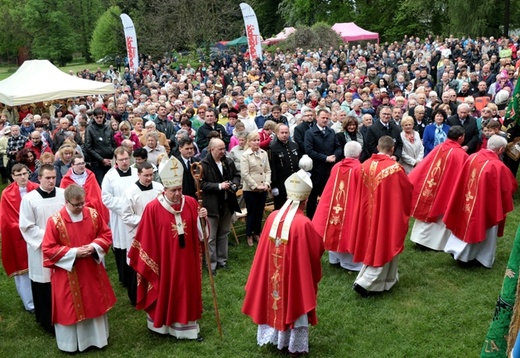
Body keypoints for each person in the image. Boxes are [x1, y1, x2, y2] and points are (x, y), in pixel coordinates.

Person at [242, 169, 324, 355]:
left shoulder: (272, 217)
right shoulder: (304, 224)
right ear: (305, 200)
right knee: (295, 300)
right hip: (294, 276)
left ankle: (275, 336)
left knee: (274, 297)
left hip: (273, 274)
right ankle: (293, 343)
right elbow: (315, 250)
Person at [128, 156, 207, 339]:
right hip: (164, 260)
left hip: (187, 259)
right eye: (173, 191)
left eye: (179, 189)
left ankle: (187, 329)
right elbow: (146, 237)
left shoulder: (191, 203)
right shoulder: (153, 208)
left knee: (186, 289)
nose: (178, 194)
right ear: (164, 189)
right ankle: (162, 326)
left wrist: (202, 218)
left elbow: (200, 234)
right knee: (165, 289)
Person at [41, 184, 116, 352]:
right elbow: (48, 249)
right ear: (66, 202)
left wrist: (94, 247)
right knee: (70, 307)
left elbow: (105, 234)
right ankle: (71, 344)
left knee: (94, 301)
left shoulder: (93, 214)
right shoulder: (55, 221)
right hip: (68, 273)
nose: (81, 207)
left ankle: (97, 339)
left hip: (90, 269)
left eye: (83, 203)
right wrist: (74, 253)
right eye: (76, 205)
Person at [349, 136, 412, 296]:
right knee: (384, 244)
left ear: (377, 147)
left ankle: (387, 280)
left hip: (367, 213)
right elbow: (406, 190)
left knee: (374, 245)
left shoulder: (364, 165)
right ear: (392, 149)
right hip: (386, 215)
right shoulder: (395, 169)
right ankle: (366, 282)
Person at [443, 135, 517, 268]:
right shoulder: (498, 166)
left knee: (463, 224)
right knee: (481, 228)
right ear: (500, 149)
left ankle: (457, 251)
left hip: (466, 200)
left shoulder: (472, 157)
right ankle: (474, 258)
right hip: (485, 205)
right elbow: (510, 186)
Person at [19, 164, 66, 333]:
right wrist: (49, 236)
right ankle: (47, 320)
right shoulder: (29, 199)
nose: (51, 181)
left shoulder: (62, 194)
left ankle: (64, 316)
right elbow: (27, 226)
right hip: (40, 248)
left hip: (62, 246)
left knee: (62, 283)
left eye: (54, 177)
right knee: (44, 282)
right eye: (47, 178)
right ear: (39, 178)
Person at [408, 126, 468, 251]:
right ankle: (432, 243)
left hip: (432, 185)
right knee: (439, 215)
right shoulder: (461, 154)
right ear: (460, 138)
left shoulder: (439, 147)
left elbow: (425, 165)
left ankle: (419, 239)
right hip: (446, 190)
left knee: (427, 211)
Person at [312, 141, 363, 271]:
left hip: (334, 203)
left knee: (331, 226)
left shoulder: (336, 166)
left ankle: (334, 257)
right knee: (347, 228)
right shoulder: (359, 169)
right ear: (359, 154)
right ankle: (348, 262)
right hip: (348, 205)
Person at [122, 162, 164, 306]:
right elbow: (126, 216)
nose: (149, 178)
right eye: (145, 175)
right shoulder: (130, 192)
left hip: (158, 233)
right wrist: (146, 221)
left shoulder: (159, 188)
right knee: (139, 264)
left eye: (151, 175)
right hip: (139, 234)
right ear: (138, 174)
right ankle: (136, 296)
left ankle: (158, 291)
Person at [0, 164, 39, 312]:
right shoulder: (7, 194)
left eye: (25, 173)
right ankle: (30, 303)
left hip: (37, 231)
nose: (23, 177)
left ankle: (43, 296)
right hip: (18, 236)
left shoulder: (36, 188)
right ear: (13, 176)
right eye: (19, 175)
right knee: (23, 271)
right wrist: (24, 226)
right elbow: (5, 219)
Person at [201, 138, 241, 272]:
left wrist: (234, 184)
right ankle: (211, 264)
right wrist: (219, 186)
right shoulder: (204, 165)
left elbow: (236, 175)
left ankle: (222, 260)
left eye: (224, 148)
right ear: (212, 149)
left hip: (227, 203)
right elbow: (201, 184)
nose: (223, 151)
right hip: (211, 205)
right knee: (211, 236)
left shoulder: (228, 162)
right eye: (220, 149)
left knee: (224, 233)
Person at [101, 147, 138, 286]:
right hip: (120, 218)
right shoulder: (110, 176)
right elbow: (106, 198)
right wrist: (125, 207)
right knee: (122, 245)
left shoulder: (136, 173)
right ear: (115, 160)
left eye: (126, 159)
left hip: (136, 215)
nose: (124, 162)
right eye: (121, 160)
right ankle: (125, 277)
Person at [304, 108, 342, 219]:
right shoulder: (310, 133)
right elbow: (309, 151)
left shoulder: (331, 132)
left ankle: (326, 218)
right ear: (317, 118)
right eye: (323, 118)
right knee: (313, 198)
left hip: (329, 170)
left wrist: (335, 155)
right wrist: (325, 158)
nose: (325, 120)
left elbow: (338, 146)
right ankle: (311, 219)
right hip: (316, 171)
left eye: (327, 118)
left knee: (328, 196)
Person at [241, 131, 272, 246]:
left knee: (260, 212)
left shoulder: (263, 153)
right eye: (254, 140)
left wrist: (267, 183)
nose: (257, 142)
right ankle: (249, 234)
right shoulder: (245, 155)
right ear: (249, 142)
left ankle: (257, 233)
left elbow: (268, 170)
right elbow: (245, 174)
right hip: (250, 190)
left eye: (258, 140)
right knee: (252, 213)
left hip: (263, 188)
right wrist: (255, 185)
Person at [60, 155, 109, 224]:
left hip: (92, 210)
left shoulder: (91, 176)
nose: (82, 166)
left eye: (83, 163)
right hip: (74, 210)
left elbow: (97, 195)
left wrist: (89, 204)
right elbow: (63, 200)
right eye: (78, 164)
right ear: (72, 165)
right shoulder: (66, 180)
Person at [268, 124, 300, 210]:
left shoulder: (294, 146)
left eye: (286, 132)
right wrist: (274, 185)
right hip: (281, 184)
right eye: (282, 133)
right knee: (281, 209)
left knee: (294, 208)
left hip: (294, 183)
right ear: (277, 134)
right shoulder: (272, 148)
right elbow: (272, 168)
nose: (284, 135)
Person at [85, 108, 116, 185]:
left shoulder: (108, 128)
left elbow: (113, 143)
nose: (99, 119)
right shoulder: (89, 129)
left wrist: (112, 157)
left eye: (100, 117)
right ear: (94, 117)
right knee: (101, 184)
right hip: (97, 162)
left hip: (109, 160)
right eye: (97, 117)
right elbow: (88, 147)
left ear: (103, 116)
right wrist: (101, 160)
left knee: (111, 182)